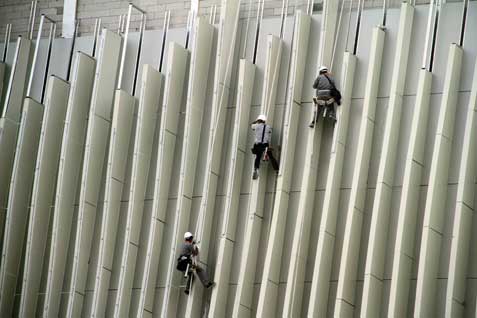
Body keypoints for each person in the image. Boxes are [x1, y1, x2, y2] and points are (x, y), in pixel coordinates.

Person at [251, 114, 279, 179]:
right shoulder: (268, 127)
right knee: (271, 157)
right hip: (265, 144)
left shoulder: (256, 126)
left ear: (259, 120)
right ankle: (277, 169)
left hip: (258, 145)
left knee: (258, 157)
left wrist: (255, 121)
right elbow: (270, 131)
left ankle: (256, 169)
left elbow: (251, 126)